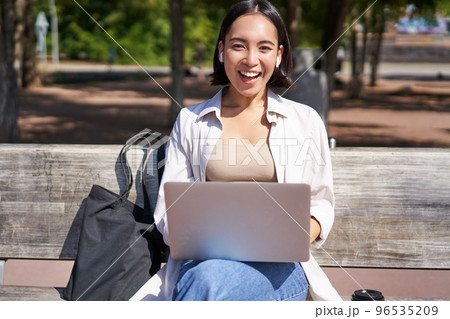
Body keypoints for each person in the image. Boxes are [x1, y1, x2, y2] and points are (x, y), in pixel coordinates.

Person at [131, 0, 341, 301]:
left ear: (279, 54)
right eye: (238, 46)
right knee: (209, 280)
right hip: (202, 263)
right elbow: (169, 213)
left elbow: (321, 204)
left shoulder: (305, 121)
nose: (251, 60)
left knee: (209, 286)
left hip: (279, 268)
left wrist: (287, 237)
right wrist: (205, 239)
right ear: (221, 50)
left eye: (264, 48)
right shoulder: (191, 121)